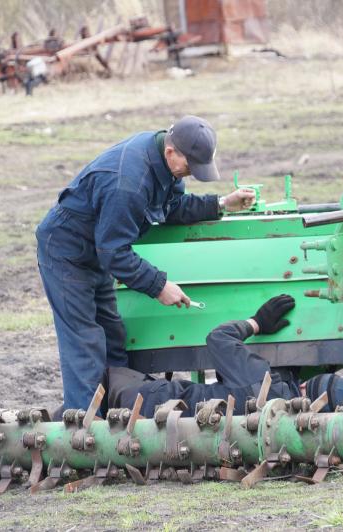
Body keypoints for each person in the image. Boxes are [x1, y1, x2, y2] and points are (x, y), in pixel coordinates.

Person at [36, 115, 257, 416]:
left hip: (96, 247)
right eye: (190, 166)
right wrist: (159, 286)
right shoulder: (127, 183)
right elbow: (113, 252)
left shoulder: (162, 164)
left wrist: (220, 203)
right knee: (84, 339)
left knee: (112, 335)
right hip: (67, 250)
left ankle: (118, 413)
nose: (191, 174)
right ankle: (85, 431)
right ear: (171, 152)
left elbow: (172, 208)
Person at [105, 295, 343, 417]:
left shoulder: (261, 382)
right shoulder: (283, 427)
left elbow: (218, 338)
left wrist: (256, 323)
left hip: (148, 401)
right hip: (162, 424)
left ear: (305, 384)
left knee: (91, 388)